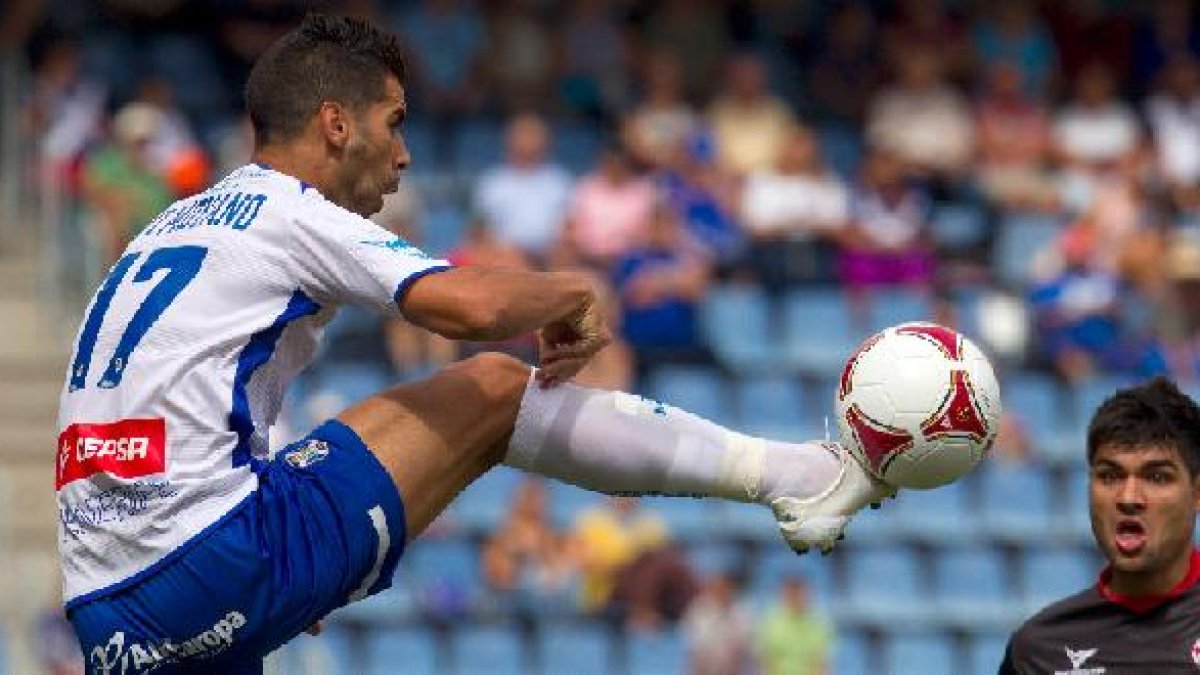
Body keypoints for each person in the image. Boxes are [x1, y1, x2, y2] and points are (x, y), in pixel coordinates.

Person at [58, 15, 892, 672]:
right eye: (394, 123)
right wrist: (573, 290)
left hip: (101, 602)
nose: (406, 155)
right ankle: (796, 476)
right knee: (493, 387)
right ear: (336, 124)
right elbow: (461, 305)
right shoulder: (290, 211)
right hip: (204, 556)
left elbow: (189, 400)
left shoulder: (171, 226)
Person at [1000, 377, 1200, 673]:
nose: (1129, 498)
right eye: (1110, 476)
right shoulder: (1040, 650)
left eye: (1157, 477)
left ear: (1197, 494)